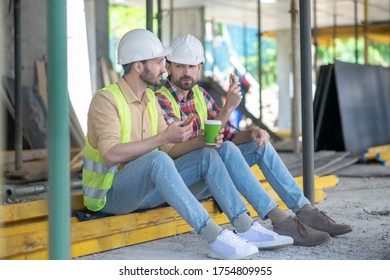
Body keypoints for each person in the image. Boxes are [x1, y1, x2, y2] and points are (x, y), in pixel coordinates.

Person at [82, 28, 294, 260]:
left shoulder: (150, 99)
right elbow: (111, 154)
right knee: (157, 159)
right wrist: (163, 138)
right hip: (110, 196)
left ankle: (244, 225)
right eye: (159, 62)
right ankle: (214, 236)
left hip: (147, 192)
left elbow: (170, 148)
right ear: (138, 66)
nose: (164, 68)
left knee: (207, 155)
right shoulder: (106, 99)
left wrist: (198, 140)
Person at [155, 33, 353, 246]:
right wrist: (228, 107)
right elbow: (202, 143)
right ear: (168, 67)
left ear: (200, 67)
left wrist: (251, 133)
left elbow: (228, 134)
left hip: (212, 174)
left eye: (192, 66)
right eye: (180, 66)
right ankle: (280, 220)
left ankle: (305, 211)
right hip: (183, 182)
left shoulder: (200, 95)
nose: (187, 72)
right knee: (225, 150)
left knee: (259, 146)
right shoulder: (160, 100)